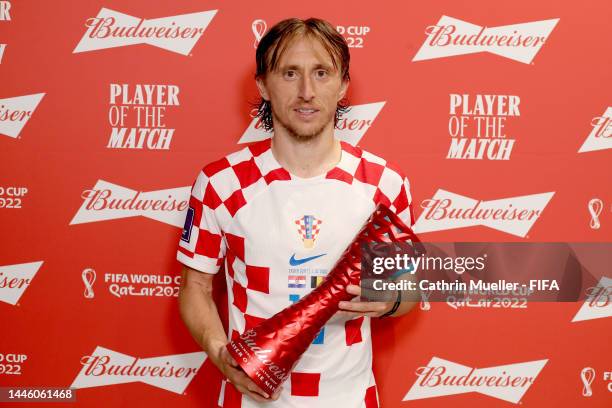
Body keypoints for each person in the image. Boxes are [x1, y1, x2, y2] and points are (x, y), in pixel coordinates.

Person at [176, 17, 417, 408]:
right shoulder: (221, 183)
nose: (307, 91)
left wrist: (391, 301)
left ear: (342, 85)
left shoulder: (385, 184)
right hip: (253, 400)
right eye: (290, 73)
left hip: (351, 398)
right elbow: (195, 288)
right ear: (262, 85)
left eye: (321, 73)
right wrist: (221, 353)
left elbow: (410, 291)